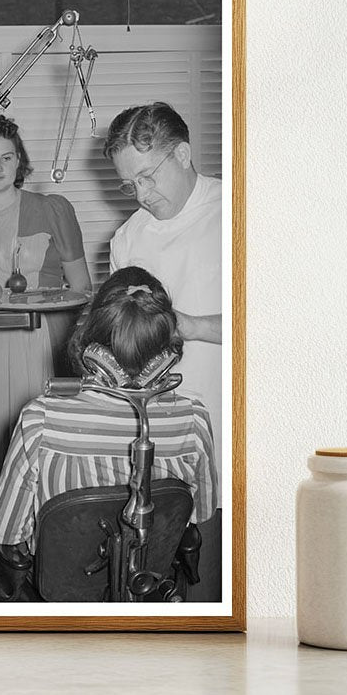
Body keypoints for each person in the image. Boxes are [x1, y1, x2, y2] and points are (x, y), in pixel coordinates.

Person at [0, 268, 218, 596]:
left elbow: (4, 533)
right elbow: (200, 514)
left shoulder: (40, 418)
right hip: (145, 595)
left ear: (93, 341)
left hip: (58, 604)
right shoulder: (194, 419)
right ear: (166, 349)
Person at [105, 101, 223, 601]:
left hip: (233, 421)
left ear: (183, 153)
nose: (142, 195)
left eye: (148, 177)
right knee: (161, 568)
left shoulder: (237, 209)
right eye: (129, 185)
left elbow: (293, 323)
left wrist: (192, 325)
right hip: (163, 434)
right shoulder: (128, 238)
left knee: (224, 571)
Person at [0, 114, 92, 487]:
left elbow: (82, 289)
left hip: (51, 345)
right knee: (4, 458)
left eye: (6, 157)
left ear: (19, 160)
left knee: (52, 456)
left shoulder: (53, 209)